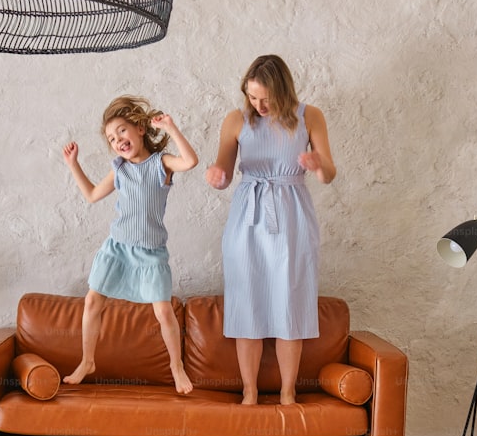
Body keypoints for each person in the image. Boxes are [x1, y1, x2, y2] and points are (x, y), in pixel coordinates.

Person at [205, 55, 336, 405]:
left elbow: (328, 174)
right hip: (248, 217)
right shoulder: (236, 120)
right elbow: (223, 172)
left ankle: (288, 392)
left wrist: (317, 164)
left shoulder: (310, 116)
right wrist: (216, 176)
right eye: (251, 96)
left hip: (292, 216)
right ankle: (249, 392)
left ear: (284, 91)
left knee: (289, 303)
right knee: (247, 303)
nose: (258, 105)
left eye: (265, 98)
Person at [62, 95, 198, 394]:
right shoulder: (120, 169)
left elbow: (190, 161)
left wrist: (172, 128)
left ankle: (177, 368)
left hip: (151, 254)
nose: (117, 140)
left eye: (122, 131)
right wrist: (74, 164)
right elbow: (92, 195)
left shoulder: (160, 164)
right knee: (92, 301)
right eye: (111, 138)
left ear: (139, 128)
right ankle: (87, 361)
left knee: (163, 312)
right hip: (118, 249)